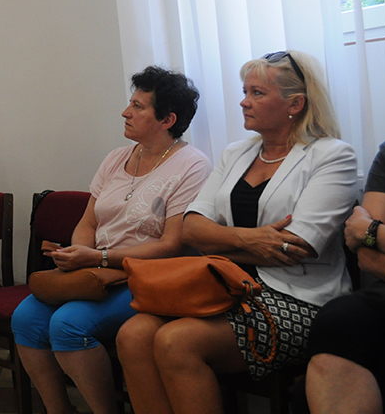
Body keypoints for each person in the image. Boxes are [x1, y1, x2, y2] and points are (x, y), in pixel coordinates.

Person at [116, 51, 357, 414]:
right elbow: (192, 228)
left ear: (295, 104)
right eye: (245, 92)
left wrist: (223, 242)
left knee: (176, 342)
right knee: (132, 335)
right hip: (226, 285)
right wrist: (252, 240)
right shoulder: (236, 153)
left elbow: (297, 247)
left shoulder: (332, 156)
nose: (244, 102)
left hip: (300, 298)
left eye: (257, 93)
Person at [10, 66, 211, 414]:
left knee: (68, 324)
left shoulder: (192, 166)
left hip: (147, 276)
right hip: (96, 270)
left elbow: (173, 245)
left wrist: (98, 258)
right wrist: (81, 252)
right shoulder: (116, 158)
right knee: (25, 318)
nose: (125, 112)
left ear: (167, 120)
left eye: (137, 106)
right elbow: (88, 221)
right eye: (130, 103)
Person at [305, 139, 385, 414]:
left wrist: (372, 230)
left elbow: (365, 232)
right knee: (337, 320)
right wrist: (371, 236)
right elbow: (367, 255)